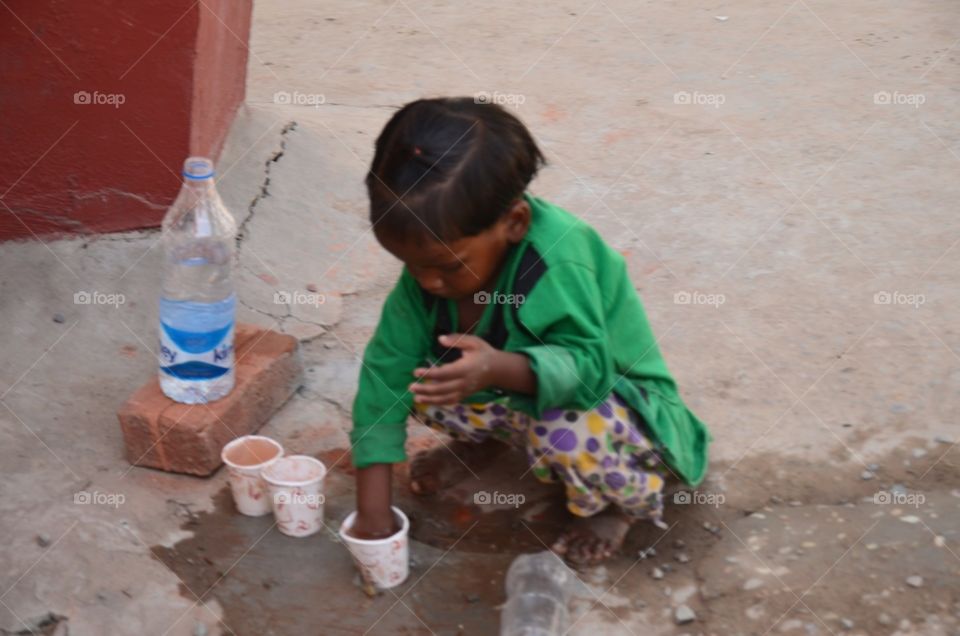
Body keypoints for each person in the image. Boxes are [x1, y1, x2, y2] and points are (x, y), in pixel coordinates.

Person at [348, 97, 710, 564]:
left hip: (622, 407)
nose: (425, 282)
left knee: (568, 427)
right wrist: (373, 515)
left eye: (445, 268)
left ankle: (614, 505)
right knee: (418, 378)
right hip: (518, 392)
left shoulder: (559, 258)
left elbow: (589, 374)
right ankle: (484, 443)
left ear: (514, 223)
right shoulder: (431, 269)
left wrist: (495, 368)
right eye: (410, 265)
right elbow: (383, 381)